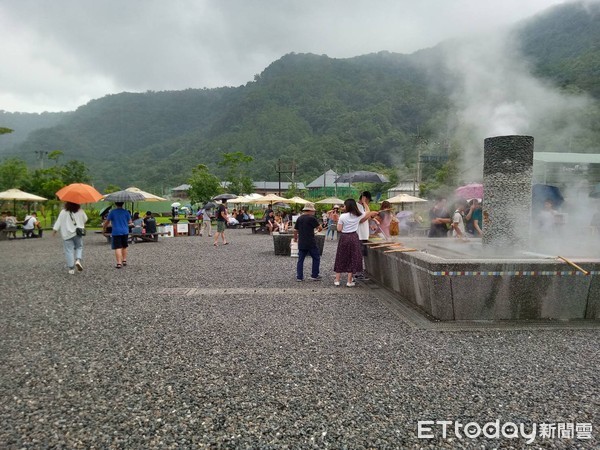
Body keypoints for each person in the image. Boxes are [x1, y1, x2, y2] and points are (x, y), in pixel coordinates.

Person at [334, 198, 371, 287]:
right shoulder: (358, 215)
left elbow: (339, 229)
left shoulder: (343, 216)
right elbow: (368, 212)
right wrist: (365, 202)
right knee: (352, 257)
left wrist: (337, 221)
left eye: (344, 205)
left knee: (341, 256)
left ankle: (337, 280)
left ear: (347, 206)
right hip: (354, 237)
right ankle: (349, 281)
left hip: (344, 237)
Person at [52, 201, 88, 274]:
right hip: (78, 233)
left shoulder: (63, 212)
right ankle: (78, 260)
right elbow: (85, 219)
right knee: (79, 247)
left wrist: (54, 231)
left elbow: (58, 222)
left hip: (67, 234)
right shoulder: (80, 211)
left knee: (69, 250)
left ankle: (71, 269)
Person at [293, 203, 323, 281]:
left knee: (300, 259)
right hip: (310, 242)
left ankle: (299, 277)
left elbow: (295, 230)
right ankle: (314, 275)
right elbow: (320, 228)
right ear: (310, 210)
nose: (313, 212)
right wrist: (318, 230)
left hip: (301, 241)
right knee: (316, 257)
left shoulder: (299, 218)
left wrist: (295, 239)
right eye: (313, 211)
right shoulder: (312, 218)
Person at [355, 191, 378, 280]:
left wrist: (370, 224)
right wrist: (370, 213)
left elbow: (364, 219)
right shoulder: (358, 206)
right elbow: (360, 220)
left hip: (363, 234)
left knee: (360, 254)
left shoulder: (363, 207)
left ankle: (358, 272)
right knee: (359, 255)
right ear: (365, 198)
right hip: (359, 234)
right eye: (368, 200)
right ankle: (358, 273)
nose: (368, 202)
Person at [104, 202, 133, 268]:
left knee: (118, 247)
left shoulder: (112, 212)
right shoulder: (126, 212)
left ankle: (119, 263)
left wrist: (104, 228)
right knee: (124, 246)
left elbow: (107, 221)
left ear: (115, 204)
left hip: (116, 232)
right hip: (125, 231)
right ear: (122, 204)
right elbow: (130, 222)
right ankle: (124, 260)